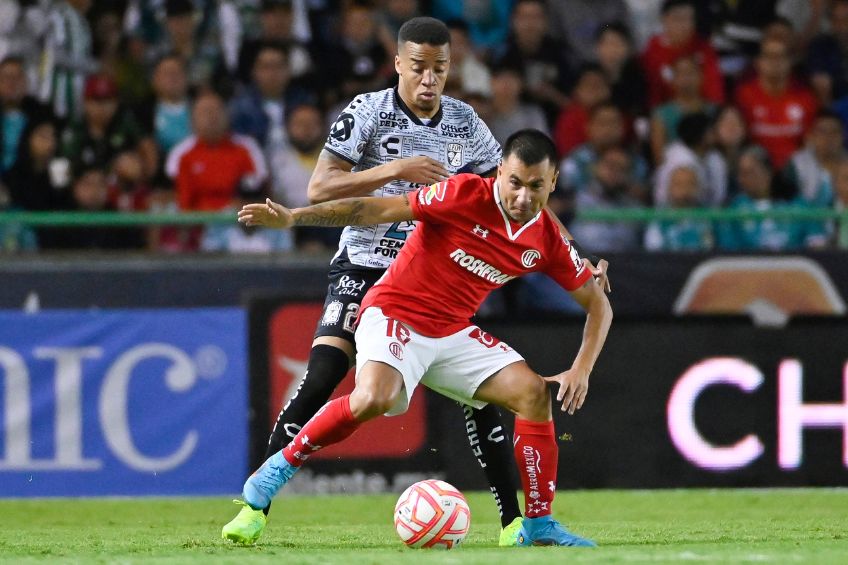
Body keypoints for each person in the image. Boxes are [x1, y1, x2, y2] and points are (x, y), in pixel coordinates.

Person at [221, 17, 610, 548]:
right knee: (333, 379)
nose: (430, 79)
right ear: (399, 64)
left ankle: (522, 523)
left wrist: (579, 261)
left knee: (504, 400)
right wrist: (382, 173)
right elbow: (330, 190)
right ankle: (259, 497)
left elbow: (529, 201)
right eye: (420, 67)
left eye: (440, 69)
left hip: (441, 295)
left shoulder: (469, 128)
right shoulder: (369, 113)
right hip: (372, 270)